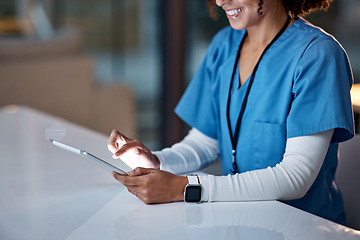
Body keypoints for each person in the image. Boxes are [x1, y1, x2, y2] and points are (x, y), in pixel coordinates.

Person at [107, 0, 354, 225]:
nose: (220, 1)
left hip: (304, 229)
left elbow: (296, 177)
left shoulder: (318, 55)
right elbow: (206, 142)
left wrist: (185, 188)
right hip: (237, 222)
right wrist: (157, 161)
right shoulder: (224, 46)